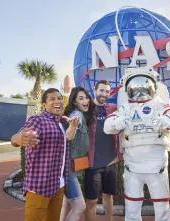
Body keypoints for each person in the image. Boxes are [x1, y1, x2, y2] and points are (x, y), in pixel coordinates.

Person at [104, 67, 170, 221]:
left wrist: (166, 121)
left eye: (144, 85)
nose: (140, 91)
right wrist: (118, 122)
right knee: (132, 206)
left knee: (162, 206)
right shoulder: (125, 108)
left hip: (157, 165)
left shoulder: (160, 105)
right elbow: (107, 126)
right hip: (133, 165)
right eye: (136, 86)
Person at [10, 88, 80, 221]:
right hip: (39, 187)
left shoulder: (62, 123)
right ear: (44, 105)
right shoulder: (38, 120)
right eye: (52, 99)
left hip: (58, 185)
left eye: (59, 98)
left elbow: (67, 141)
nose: (57, 101)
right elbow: (17, 137)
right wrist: (18, 139)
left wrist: (73, 126)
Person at [84, 80, 121, 221]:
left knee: (108, 195)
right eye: (101, 90)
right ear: (95, 90)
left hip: (111, 161)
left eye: (107, 91)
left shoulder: (112, 108)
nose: (104, 94)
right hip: (93, 163)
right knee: (91, 201)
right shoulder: (87, 109)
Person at [60, 87, 95, 221]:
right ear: (74, 102)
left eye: (86, 97)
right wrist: (74, 123)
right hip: (67, 171)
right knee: (80, 206)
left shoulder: (84, 114)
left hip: (72, 169)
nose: (85, 100)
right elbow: (76, 120)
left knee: (68, 205)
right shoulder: (77, 115)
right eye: (81, 98)